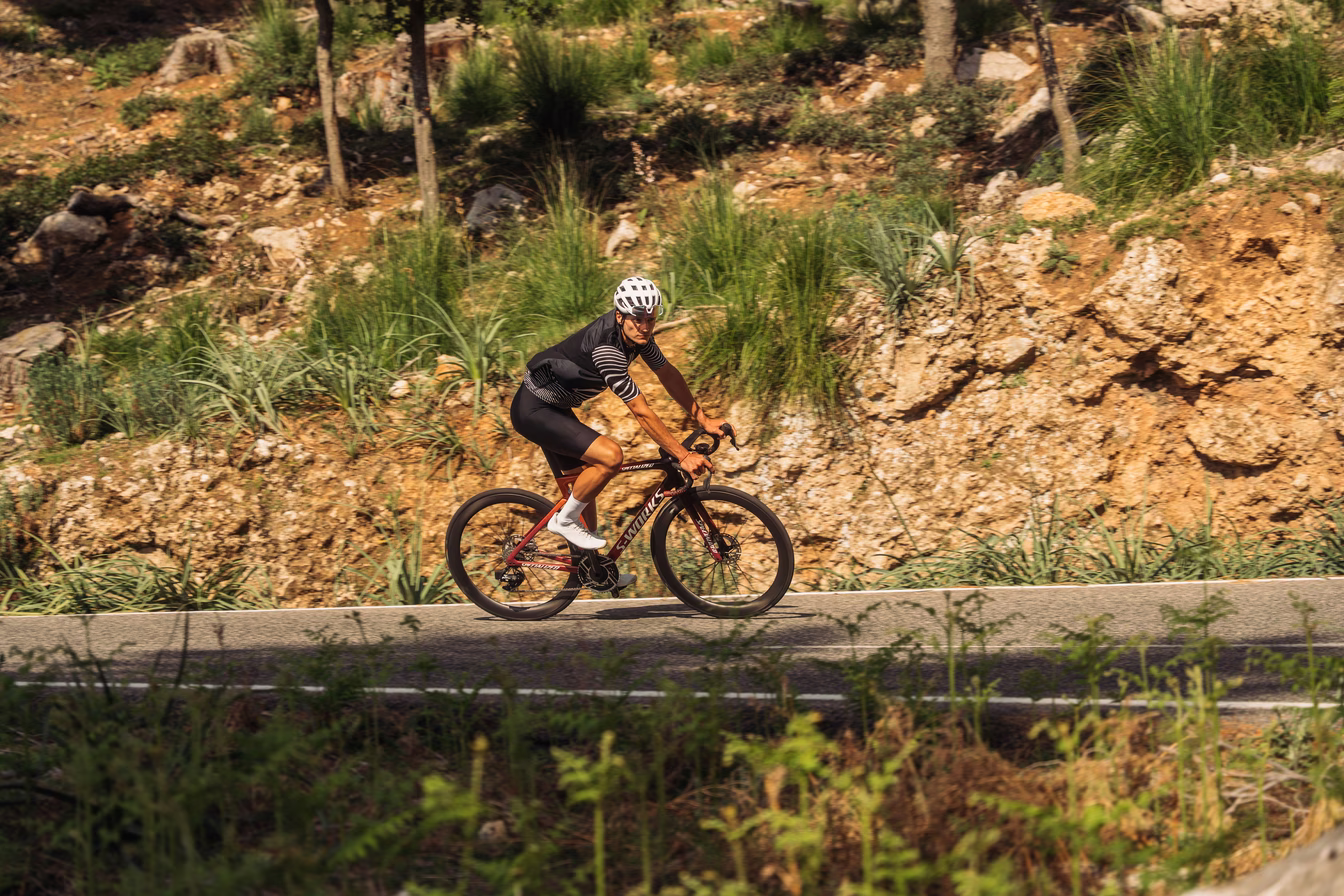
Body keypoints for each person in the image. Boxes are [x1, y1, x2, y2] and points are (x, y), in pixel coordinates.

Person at [510, 275, 726, 558]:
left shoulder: (638, 337)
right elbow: (640, 410)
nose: (645, 326)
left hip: (556, 408)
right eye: (638, 319)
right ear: (620, 316)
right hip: (534, 410)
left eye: (651, 319)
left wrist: (703, 419)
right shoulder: (607, 350)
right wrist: (682, 456)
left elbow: (668, 374)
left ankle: (592, 567)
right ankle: (562, 521)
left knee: (584, 486)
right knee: (610, 456)